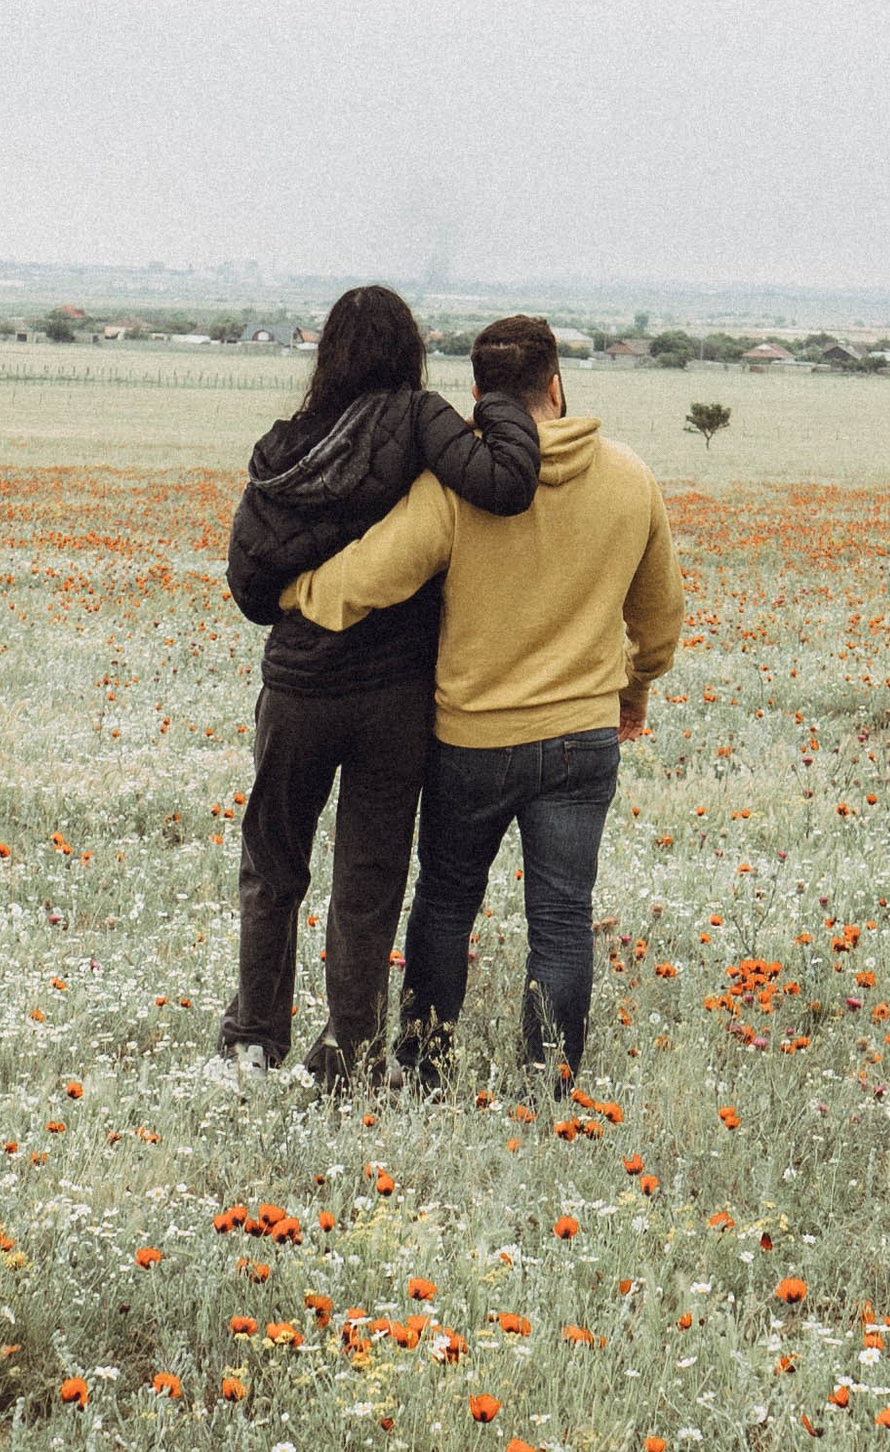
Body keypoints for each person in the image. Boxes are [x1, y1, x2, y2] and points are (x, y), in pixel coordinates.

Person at [279, 312, 683, 1081]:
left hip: (472, 741)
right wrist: (636, 690)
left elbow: (372, 576)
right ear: (556, 385)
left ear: (476, 395)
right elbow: (659, 616)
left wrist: (295, 591)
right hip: (581, 738)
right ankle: (548, 1084)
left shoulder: (456, 489)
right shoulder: (631, 478)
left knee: (447, 905)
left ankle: (424, 1066)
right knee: (562, 918)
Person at [215, 285, 540, 1086]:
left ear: (329, 353)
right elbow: (505, 482)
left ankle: (255, 1040)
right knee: (368, 878)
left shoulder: (286, 446)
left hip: (297, 690)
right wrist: (500, 398)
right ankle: (349, 1053)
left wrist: (307, 586)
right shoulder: (417, 417)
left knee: (274, 864)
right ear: (408, 352)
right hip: (394, 696)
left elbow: (249, 583)